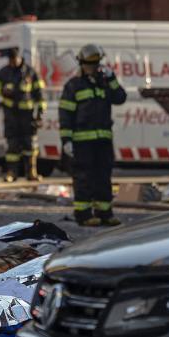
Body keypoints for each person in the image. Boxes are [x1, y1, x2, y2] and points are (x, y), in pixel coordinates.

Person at [58, 44, 127, 226]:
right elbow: (65, 115)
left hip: (103, 141)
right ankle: (84, 215)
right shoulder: (74, 86)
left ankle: (105, 213)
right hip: (82, 142)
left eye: (95, 63)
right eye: (89, 64)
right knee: (84, 179)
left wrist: (112, 79)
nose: (92, 67)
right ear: (81, 64)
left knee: (104, 177)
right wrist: (66, 140)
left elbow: (120, 98)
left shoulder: (105, 82)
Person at [0, 47, 46, 181]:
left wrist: (40, 114)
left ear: (19, 58)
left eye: (14, 60)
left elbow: (39, 94)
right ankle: (12, 173)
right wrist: (3, 91)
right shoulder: (4, 72)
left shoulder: (30, 72)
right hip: (11, 115)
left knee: (30, 146)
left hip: (28, 116)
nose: (12, 63)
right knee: (12, 145)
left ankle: (31, 172)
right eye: (10, 60)